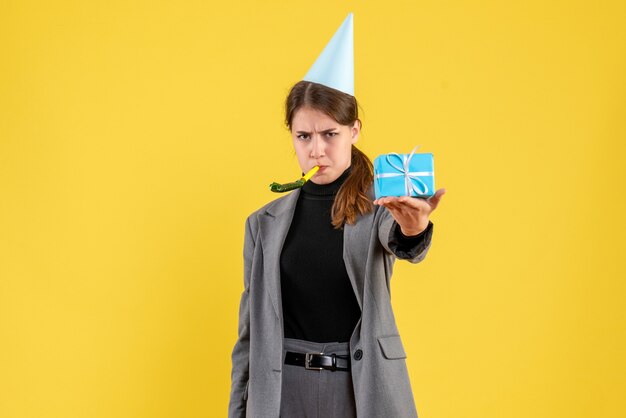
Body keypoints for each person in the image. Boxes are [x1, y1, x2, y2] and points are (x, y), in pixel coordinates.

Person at [228, 14, 445, 418]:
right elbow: (248, 334)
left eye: (330, 134)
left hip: (360, 390)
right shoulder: (262, 224)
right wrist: (238, 408)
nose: (317, 150)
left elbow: (403, 240)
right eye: (304, 136)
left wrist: (415, 227)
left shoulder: (380, 203)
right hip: (279, 395)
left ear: (354, 131)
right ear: (291, 135)